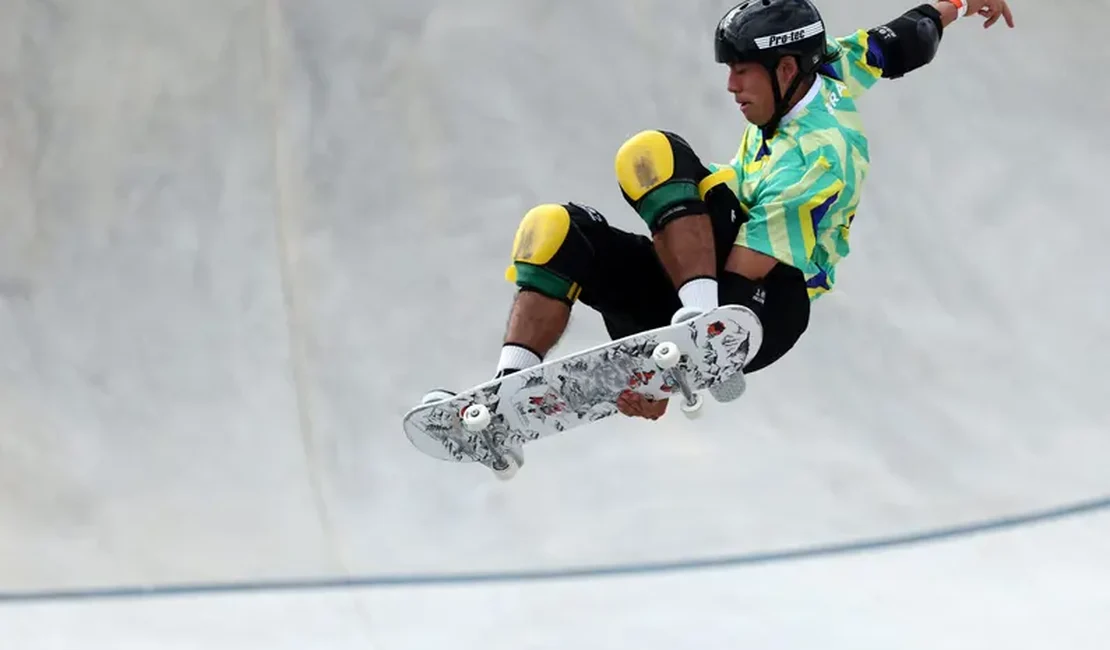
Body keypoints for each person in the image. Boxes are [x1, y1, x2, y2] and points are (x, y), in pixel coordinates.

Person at [426, 0, 1015, 423]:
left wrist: (669, 369)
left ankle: (691, 326)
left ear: (785, 71)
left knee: (652, 157)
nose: (731, 87)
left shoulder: (820, 156)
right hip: (704, 284)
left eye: (741, 72)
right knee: (552, 231)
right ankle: (508, 389)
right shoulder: (824, 66)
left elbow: (743, 278)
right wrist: (957, 4)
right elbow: (896, 42)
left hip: (764, 305)